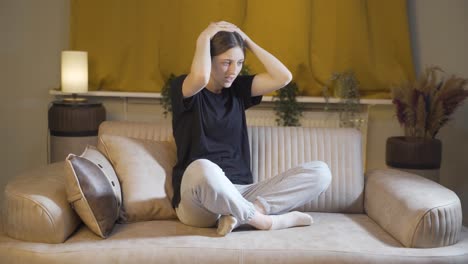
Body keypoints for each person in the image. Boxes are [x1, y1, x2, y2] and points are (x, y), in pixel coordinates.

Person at [170, 21, 331, 236]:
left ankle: (243, 215)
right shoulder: (185, 88)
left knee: (320, 172)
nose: (233, 71)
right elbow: (200, 77)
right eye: (226, 63)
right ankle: (266, 222)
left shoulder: (237, 90)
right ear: (208, 59)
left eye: (239, 63)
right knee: (203, 167)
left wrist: (246, 40)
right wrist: (204, 37)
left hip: (241, 192)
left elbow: (283, 77)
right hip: (199, 199)